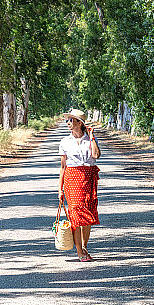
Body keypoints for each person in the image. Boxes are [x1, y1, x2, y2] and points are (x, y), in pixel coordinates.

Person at [58, 109, 101, 261]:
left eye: (71, 120)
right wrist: (60, 189)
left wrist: (92, 137)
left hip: (88, 178)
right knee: (75, 215)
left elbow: (96, 156)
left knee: (87, 216)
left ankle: (84, 246)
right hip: (72, 179)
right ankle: (79, 251)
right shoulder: (64, 142)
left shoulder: (90, 140)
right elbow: (63, 167)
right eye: (67, 120)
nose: (68, 123)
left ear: (79, 122)